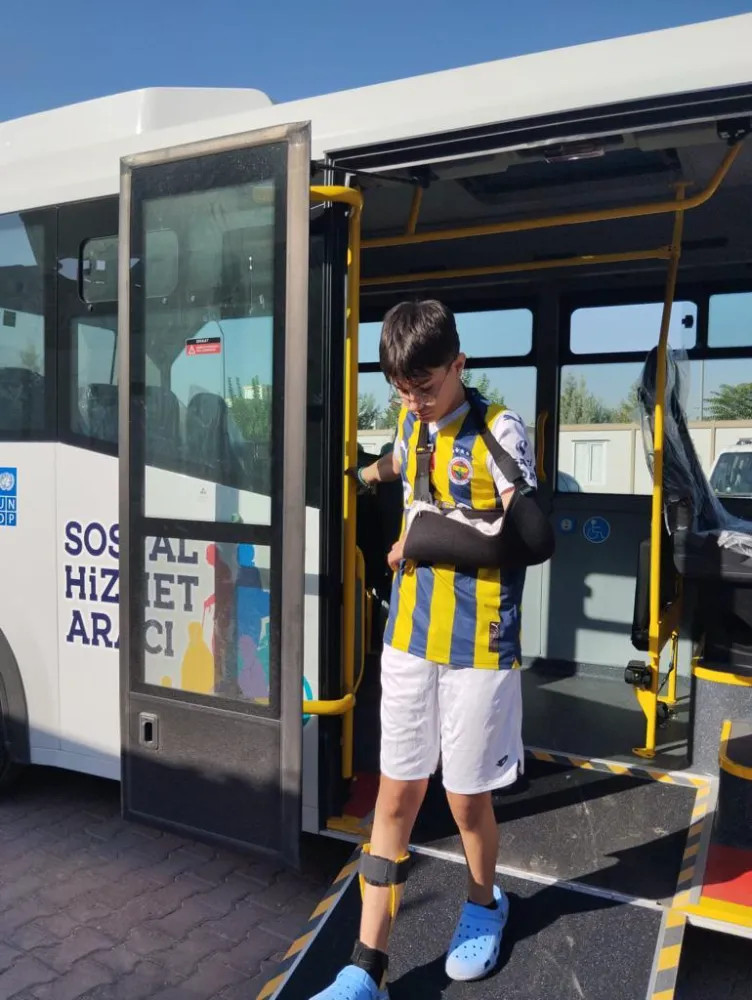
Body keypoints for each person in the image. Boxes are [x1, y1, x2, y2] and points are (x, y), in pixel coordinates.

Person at [312, 300, 536, 1000]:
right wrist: (358, 477)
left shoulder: (499, 430)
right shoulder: (412, 423)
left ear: (459, 365)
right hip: (408, 639)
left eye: (428, 387)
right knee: (396, 797)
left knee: (466, 800)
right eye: (402, 391)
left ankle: (484, 904)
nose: (416, 402)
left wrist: (426, 539)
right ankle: (366, 967)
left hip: (479, 646)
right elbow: (400, 462)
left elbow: (534, 538)